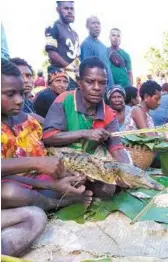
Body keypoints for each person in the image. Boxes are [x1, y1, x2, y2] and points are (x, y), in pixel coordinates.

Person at [1, 58, 93, 210]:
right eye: (10, 94)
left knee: (76, 178)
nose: (19, 100)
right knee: (10, 193)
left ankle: (47, 198)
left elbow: (45, 159)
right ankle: (56, 204)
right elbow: (35, 165)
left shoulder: (31, 122)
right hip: (10, 186)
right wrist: (37, 164)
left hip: (36, 183)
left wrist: (61, 178)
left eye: (22, 94)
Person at [43, 57, 131, 198]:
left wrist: (129, 171)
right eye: (90, 81)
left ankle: (87, 188)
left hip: (90, 161)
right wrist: (85, 133)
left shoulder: (108, 113)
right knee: (66, 183)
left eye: (102, 83)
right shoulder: (65, 100)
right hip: (62, 160)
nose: (97, 87)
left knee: (107, 189)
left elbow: (116, 147)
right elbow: (48, 137)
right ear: (79, 81)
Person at [45, 1, 80, 90]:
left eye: (71, 8)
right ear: (58, 10)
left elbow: (76, 57)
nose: (69, 11)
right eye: (66, 8)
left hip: (74, 77)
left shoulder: (74, 33)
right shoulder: (53, 27)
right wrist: (70, 68)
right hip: (59, 76)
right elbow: (52, 53)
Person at [80, 16, 113, 91]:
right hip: (98, 88)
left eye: (98, 23)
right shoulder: (86, 44)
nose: (96, 26)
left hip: (109, 87)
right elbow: (87, 70)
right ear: (87, 26)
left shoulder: (103, 46)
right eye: (93, 23)